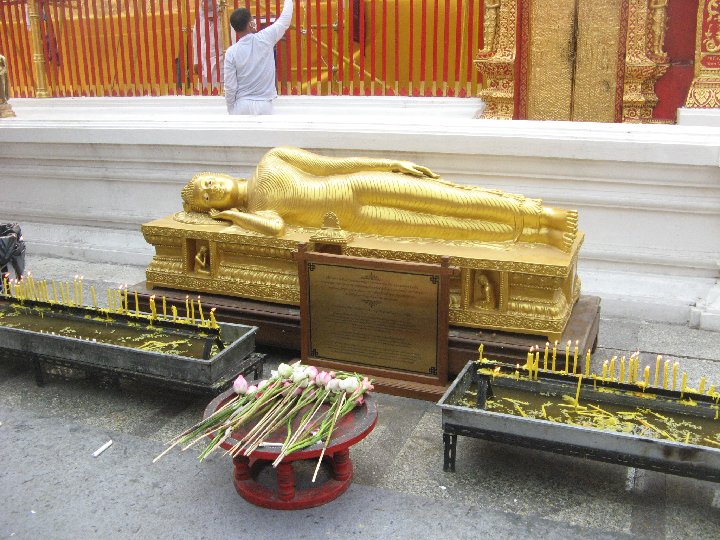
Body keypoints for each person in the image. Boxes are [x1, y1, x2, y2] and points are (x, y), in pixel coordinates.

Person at [180, 147, 578, 252]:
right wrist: (232, 216)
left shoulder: (272, 160)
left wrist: (390, 163)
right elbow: (277, 227)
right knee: (448, 228)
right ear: (210, 207)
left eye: (208, 182)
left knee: (450, 200)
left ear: (217, 174)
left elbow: (331, 165)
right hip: (356, 221)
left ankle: (543, 214)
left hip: (359, 186)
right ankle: (535, 234)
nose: (212, 189)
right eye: (206, 197)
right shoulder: (257, 212)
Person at [223, 0, 294, 115]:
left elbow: (230, 86)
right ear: (250, 24)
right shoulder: (265, 38)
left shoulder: (231, 52)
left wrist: (231, 109)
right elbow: (285, 20)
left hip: (241, 105)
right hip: (264, 105)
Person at [192, 0, 221, 89]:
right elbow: (196, 40)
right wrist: (196, 61)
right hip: (203, 61)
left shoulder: (225, 20)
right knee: (203, 92)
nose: (210, 18)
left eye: (212, 15)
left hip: (220, 61)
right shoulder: (199, 20)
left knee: (218, 90)